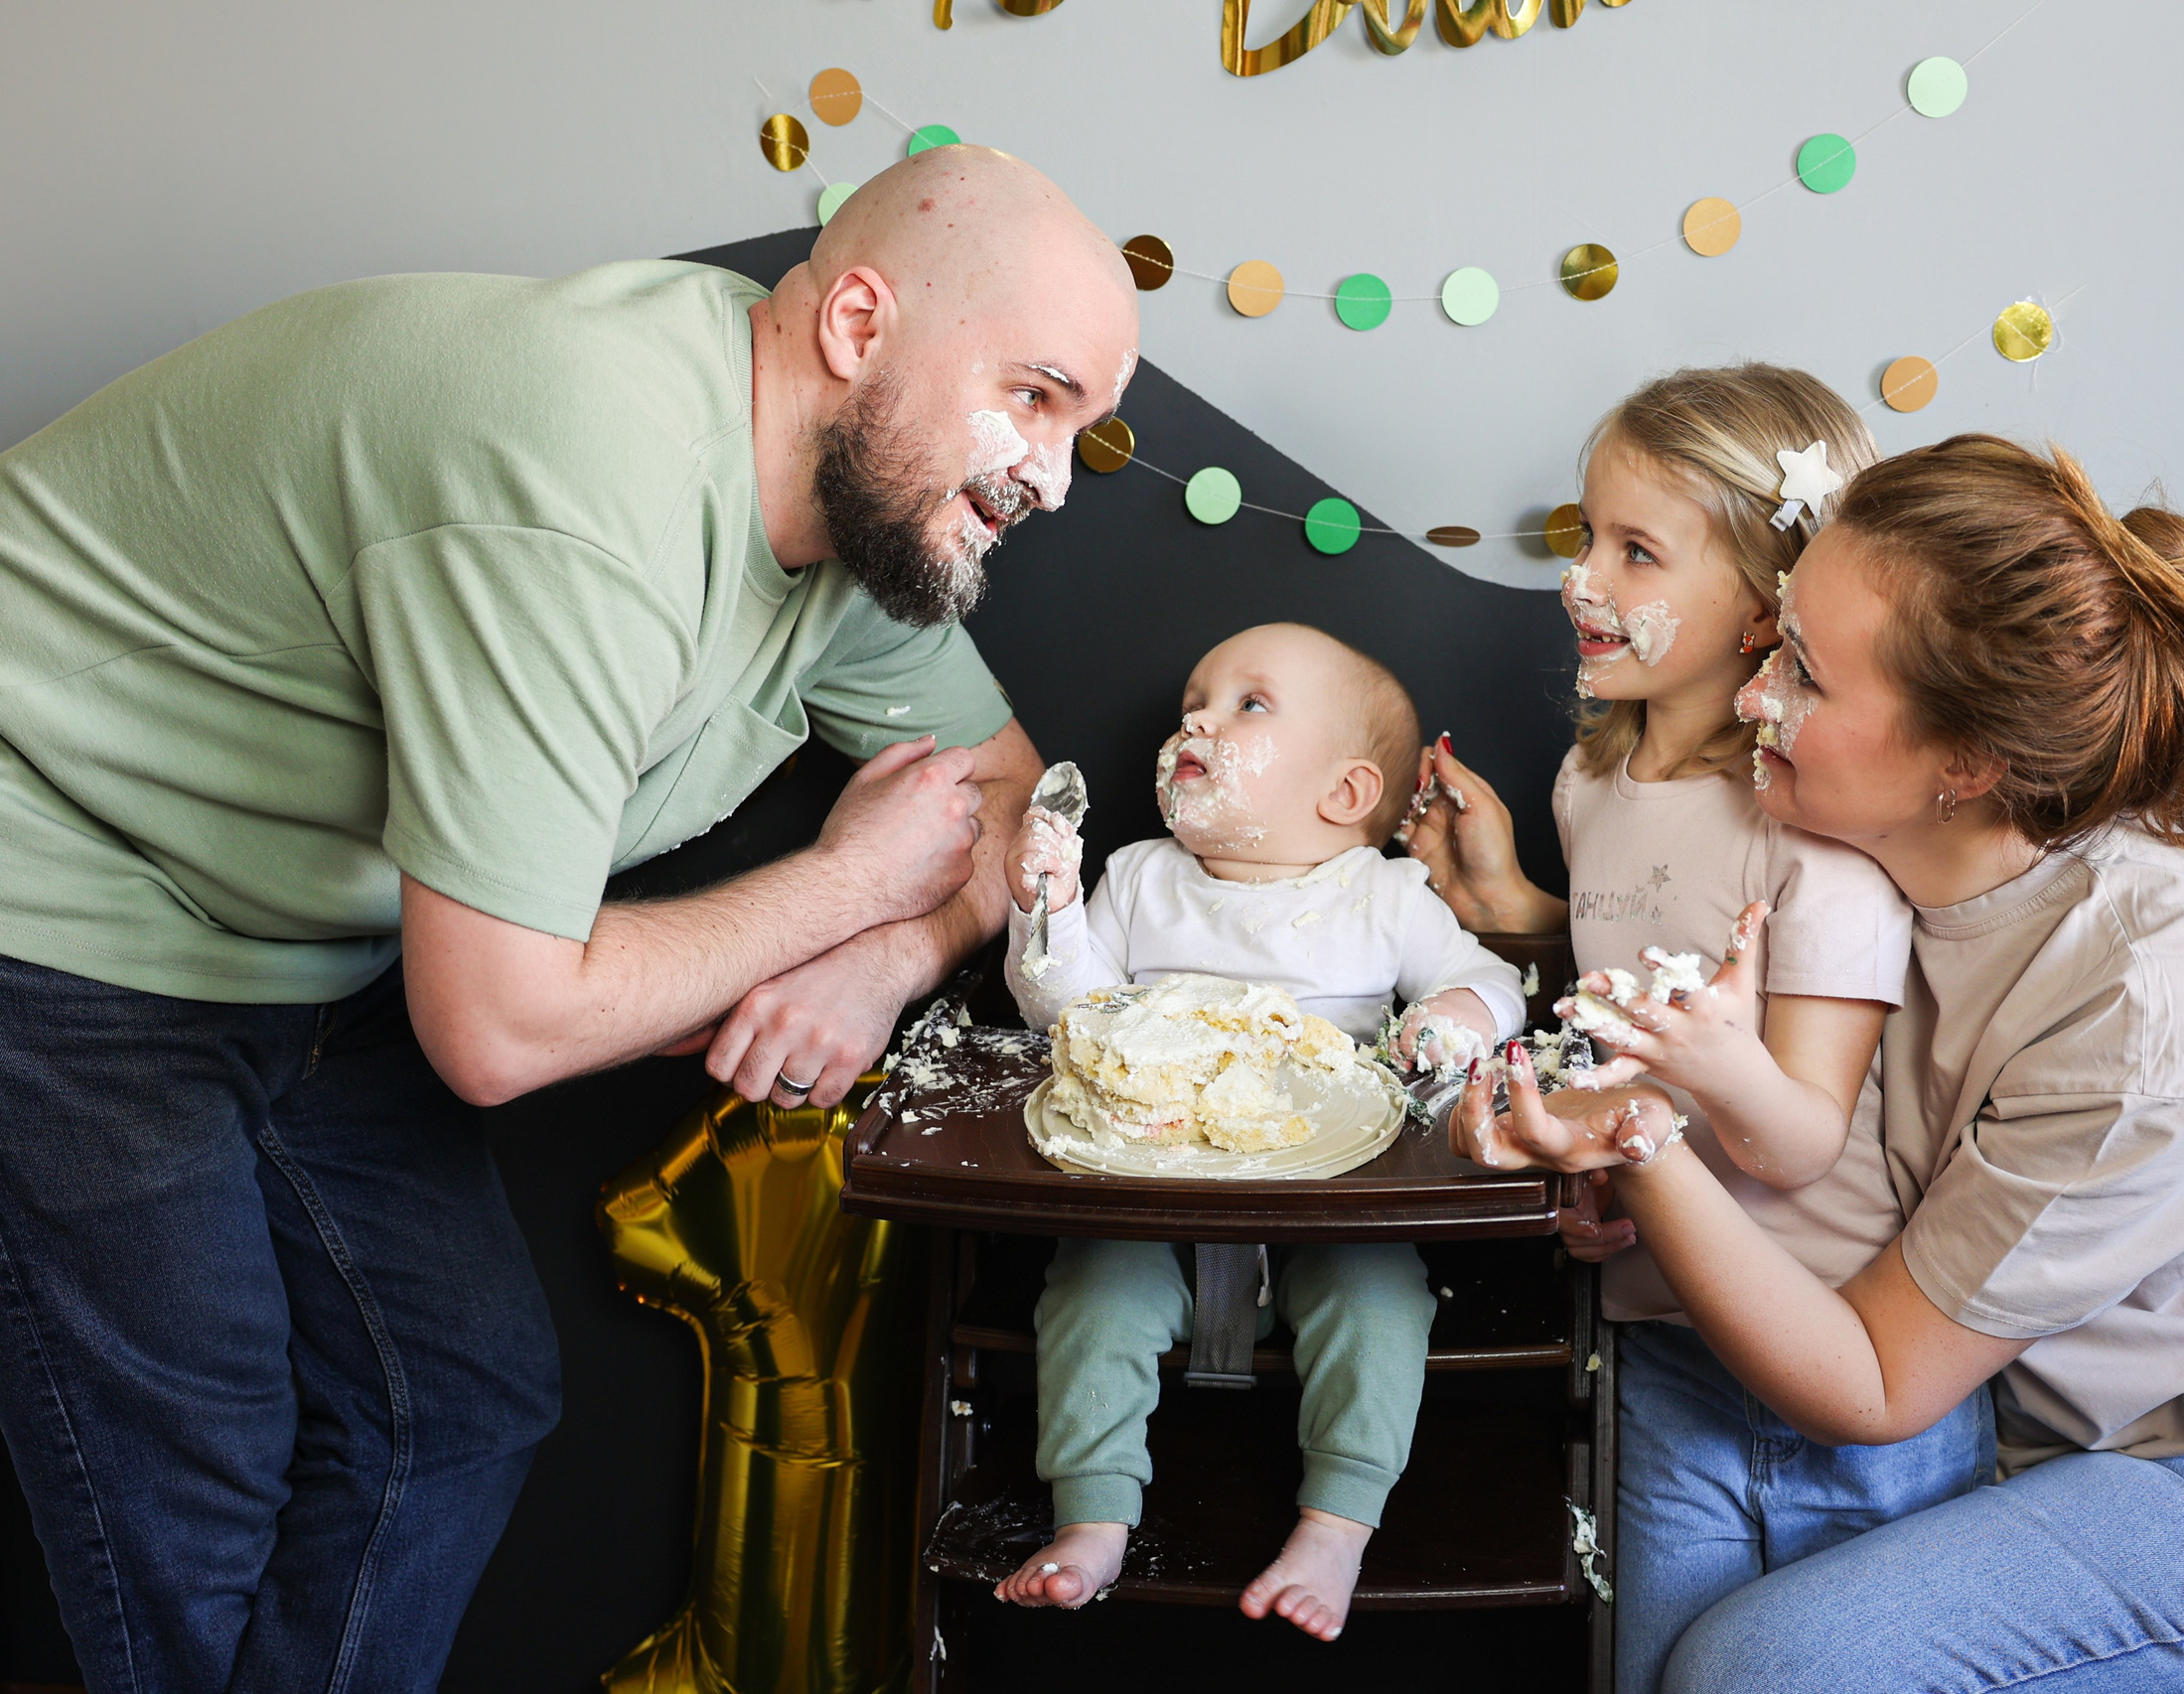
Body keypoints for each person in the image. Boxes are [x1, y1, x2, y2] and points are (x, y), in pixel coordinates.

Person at [0, 145, 1137, 1693]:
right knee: (195, 1478)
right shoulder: (590, 482)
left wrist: (884, 960)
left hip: (308, 940)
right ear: (858, 328)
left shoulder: (854, 503)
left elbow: (1007, 802)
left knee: (458, 1399)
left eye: (1084, 426)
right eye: (1036, 394)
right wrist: (851, 884)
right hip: (60, 891)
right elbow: (499, 1025)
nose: (1052, 477)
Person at [1454, 436, 2184, 1690]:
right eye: (1771, 649)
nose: (1753, 696)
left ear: (1967, 763)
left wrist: (1643, 1149)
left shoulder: (2146, 1006)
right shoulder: (1872, 848)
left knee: (1759, 1668)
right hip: (2041, 1428)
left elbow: (1871, 1382)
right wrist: (1526, 922)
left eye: (1804, 678)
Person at [1403, 366, 1989, 1693]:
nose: (1581, 581)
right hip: (1662, 1346)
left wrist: (1680, 1097)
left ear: (1763, 609)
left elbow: (1796, 1135)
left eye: (1636, 551)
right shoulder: (1591, 777)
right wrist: (1520, 912)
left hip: (1842, 1365)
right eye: (1584, 537)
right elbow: (1640, 971)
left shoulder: (1811, 839)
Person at [990, 623, 1525, 1640]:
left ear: (1346, 794)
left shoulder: (1383, 896)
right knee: (1088, 1301)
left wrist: (1454, 1017)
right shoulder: (1143, 878)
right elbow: (1067, 1014)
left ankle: (1335, 1525)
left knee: (1382, 1308)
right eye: (1195, 696)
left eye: (1250, 703)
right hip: (1151, 1210)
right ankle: (1093, 1514)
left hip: (1333, 1216)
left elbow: (1490, 981)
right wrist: (1047, 915)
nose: (1198, 714)